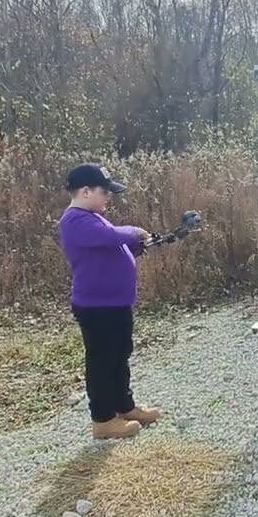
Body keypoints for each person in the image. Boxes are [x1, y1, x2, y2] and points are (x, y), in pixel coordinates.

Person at [58, 162, 162, 440]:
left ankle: (124, 407)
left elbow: (111, 246)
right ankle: (103, 419)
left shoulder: (93, 216)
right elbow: (112, 235)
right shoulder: (74, 220)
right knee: (102, 362)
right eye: (105, 192)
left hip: (114, 303)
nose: (108, 197)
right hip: (96, 306)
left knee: (120, 356)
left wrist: (138, 246)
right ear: (86, 191)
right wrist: (136, 232)